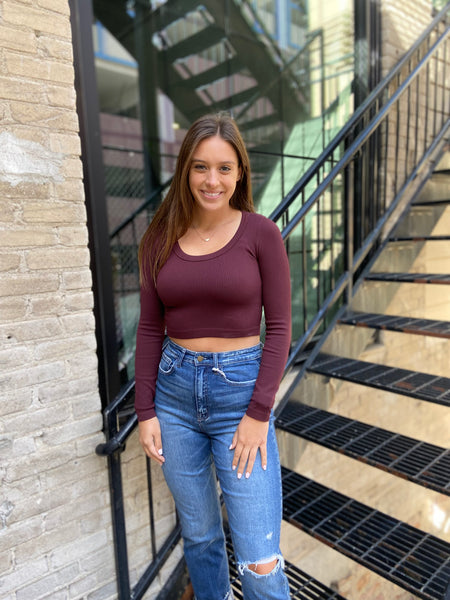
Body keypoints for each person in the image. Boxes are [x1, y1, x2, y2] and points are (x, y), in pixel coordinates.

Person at [135, 113, 291, 600]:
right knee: (200, 538)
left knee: (260, 559)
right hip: (175, 398)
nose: (212, 180)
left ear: (240, 173)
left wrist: (257, 415)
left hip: (240, 399)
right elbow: (148, 328)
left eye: (224, 168)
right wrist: (145, 411)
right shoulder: (159, 239)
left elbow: (281, 329)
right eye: (201, 167)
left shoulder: (261, 234)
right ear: (186, 170)